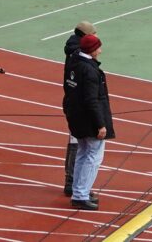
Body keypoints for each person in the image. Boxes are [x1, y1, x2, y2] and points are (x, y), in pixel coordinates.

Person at [62, 32, 114, 212]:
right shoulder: (90, 70)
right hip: (89, 121)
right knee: (93, 157)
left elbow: (68, 92)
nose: (100, 50)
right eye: (98, 47)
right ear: (92, 50)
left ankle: (79, 191)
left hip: (77, 118)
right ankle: (81, 195)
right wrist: (100, 124)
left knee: (83, 154)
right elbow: (92, 100)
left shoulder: (73, 63)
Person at [61, 21, 97, 197]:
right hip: (77, 104)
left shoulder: (73, 51)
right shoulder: (78, 55)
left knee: (76, 142)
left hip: (72, 102)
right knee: (79, 145)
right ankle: (72, 182)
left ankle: (72, 181)